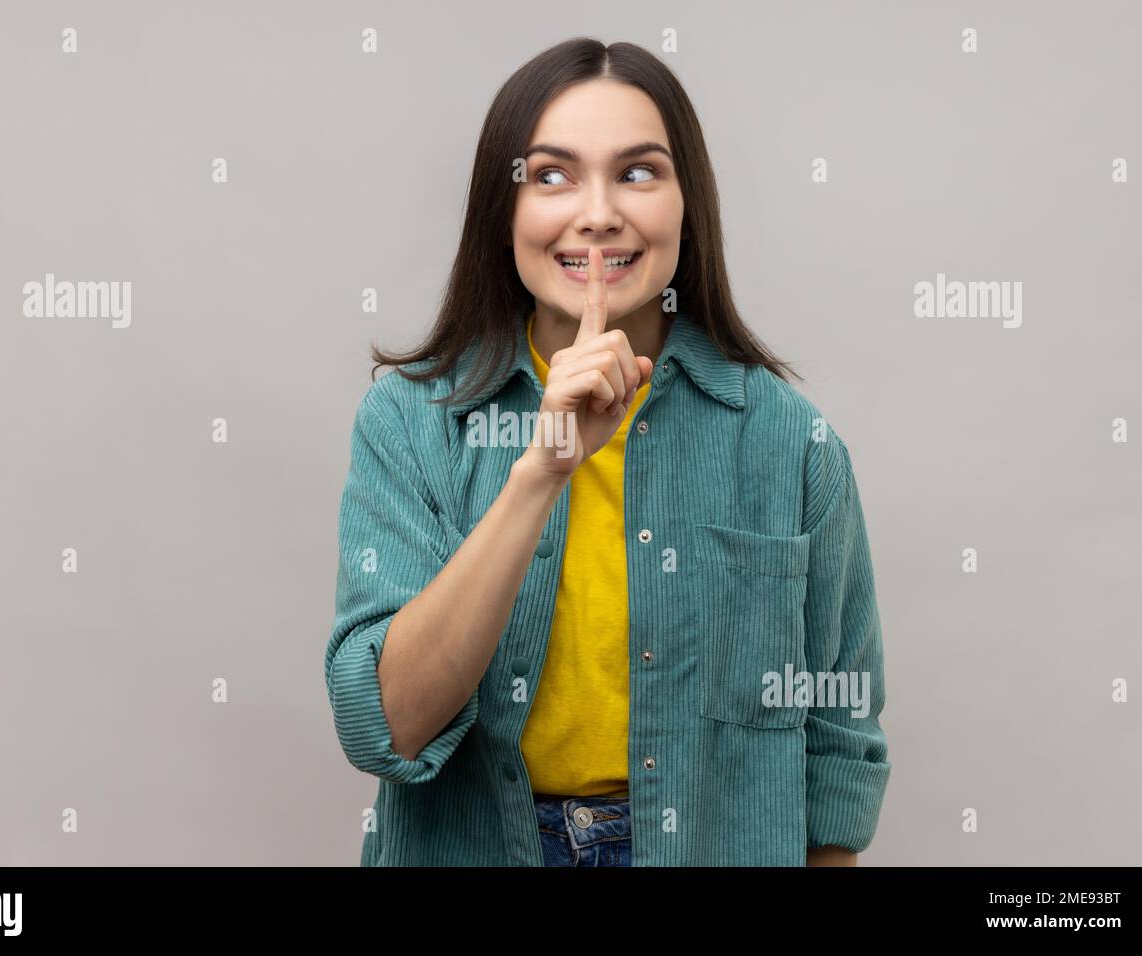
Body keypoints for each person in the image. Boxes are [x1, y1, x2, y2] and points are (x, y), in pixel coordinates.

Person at [324, 37, 890, 866]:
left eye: (638, 171)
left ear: (686, 202)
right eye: (551, 175)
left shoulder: (791, 443)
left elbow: (839, 747)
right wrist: (541, 471)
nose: (597, 213)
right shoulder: (410, 422)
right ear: (503, 209)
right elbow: (383, 726)